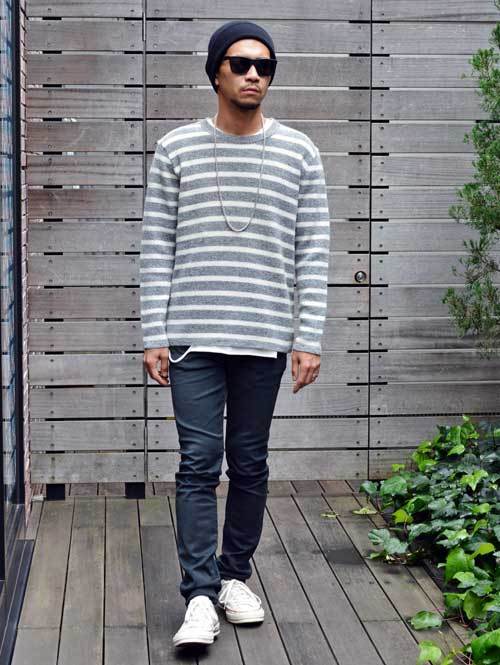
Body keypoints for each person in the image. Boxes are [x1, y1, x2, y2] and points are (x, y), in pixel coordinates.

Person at [140, 19, 331, 649]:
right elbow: (156, 246)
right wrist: (153, 332)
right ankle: (198, 595)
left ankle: (233, 577)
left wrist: (308, 337)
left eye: (265, 66)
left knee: (250, 463)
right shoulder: (176, 149)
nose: (254, 75)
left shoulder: (299, 152)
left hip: (264, 335)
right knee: (198, 464)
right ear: (216, 73)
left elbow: (313, 252)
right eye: (241, 63)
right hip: (192, 338)